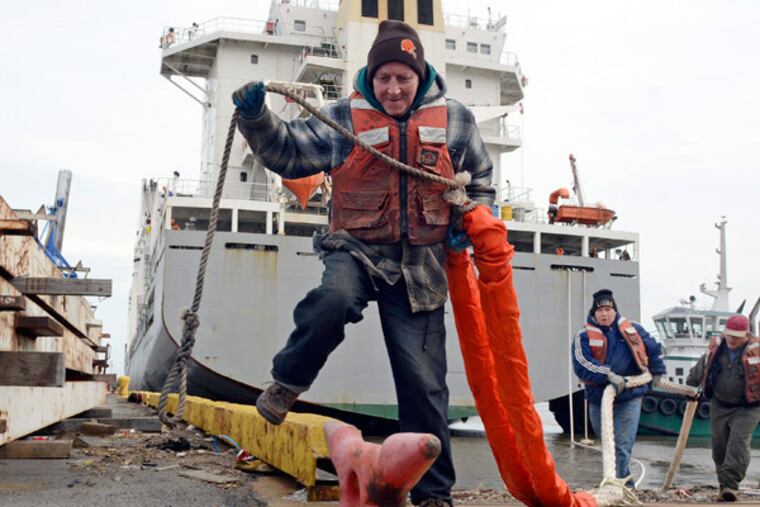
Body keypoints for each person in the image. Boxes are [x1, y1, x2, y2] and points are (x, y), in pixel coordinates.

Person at [231, 20, 494, 507]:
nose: (392, 89)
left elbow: (480, 181)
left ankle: (435, 495)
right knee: (333, 300)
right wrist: (257, 120)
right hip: (355, 247)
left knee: (425, 383)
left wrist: (471, 220)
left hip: (421, 263)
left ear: (420, 77)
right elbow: (288, 154)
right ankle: (287, 383)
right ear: (370, 78)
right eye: (383, 79)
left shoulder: (456, 120)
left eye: (403, 79)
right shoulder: (342, 117)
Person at [572, 289, 666, 487]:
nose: (604, 314)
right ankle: (619, 481)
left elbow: (654, 349)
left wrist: (657, 371)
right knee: (607, 444)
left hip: (630, 395)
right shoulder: (583, 336)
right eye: (600, 310)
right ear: (594, 313)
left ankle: (620, 487)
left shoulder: (634, 329)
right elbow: (582, 364)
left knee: (622, 445)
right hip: (599, 397)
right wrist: (608, 374)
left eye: (608, 309)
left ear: (614, 310)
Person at [686, 315, 760, 502]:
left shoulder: (757, 351)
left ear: (746, 334)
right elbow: (700, 370)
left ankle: (730, 486)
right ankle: (723, 486)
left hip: (749, 407)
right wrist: (690, 386)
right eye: (729, 336)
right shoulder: (716, 349)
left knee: (737, 443)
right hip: (719, 404)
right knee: (718, 448)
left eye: (737, 337)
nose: (732, 340)